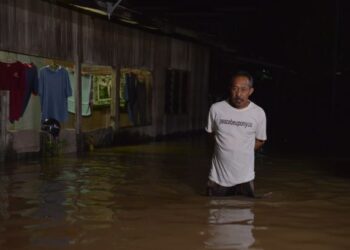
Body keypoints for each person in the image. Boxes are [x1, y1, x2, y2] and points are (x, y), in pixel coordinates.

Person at [205, 71, 267, 197]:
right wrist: (223, 149)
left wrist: (243, 151)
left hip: (245, 178)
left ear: (250, 91)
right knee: (213, 211)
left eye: (243, 89)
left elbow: (261, 140)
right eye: (235, 89)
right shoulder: (216, 109)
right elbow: (210, 134)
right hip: (217, 178)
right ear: (230, 89)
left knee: (245, 213)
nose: (238, 94)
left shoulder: (258, 113)